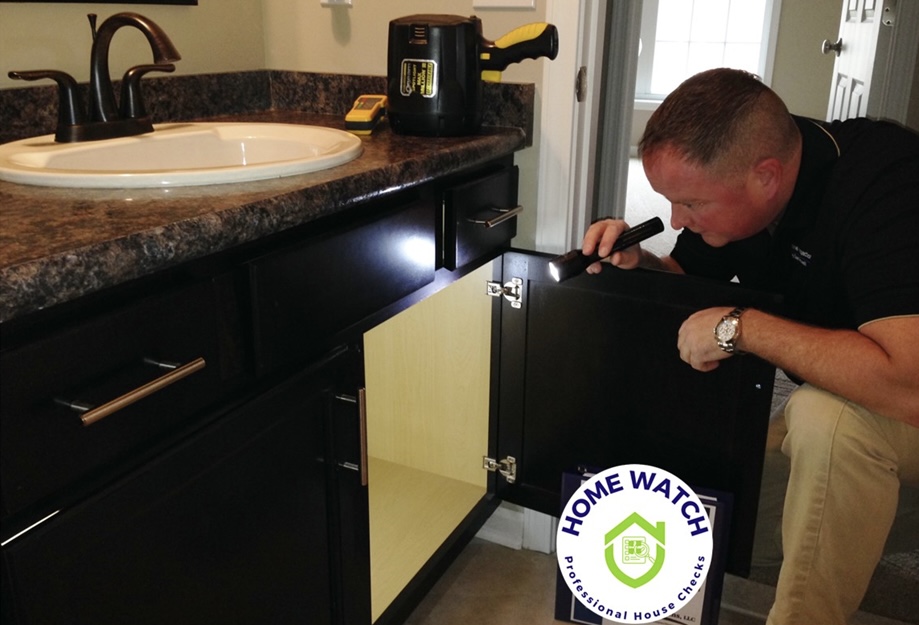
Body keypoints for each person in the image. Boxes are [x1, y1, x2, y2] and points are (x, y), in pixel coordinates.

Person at [581, 68, 919, 624]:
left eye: (690, 204)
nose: (676, 219)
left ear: (766, 177)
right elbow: (686, 276)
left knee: (822, 420)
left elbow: (906, 382)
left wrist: (745, 328)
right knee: (705, 508)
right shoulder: (752, 193)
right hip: (852, 397)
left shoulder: (888, 184)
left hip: (897, 399)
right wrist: (639, 266)